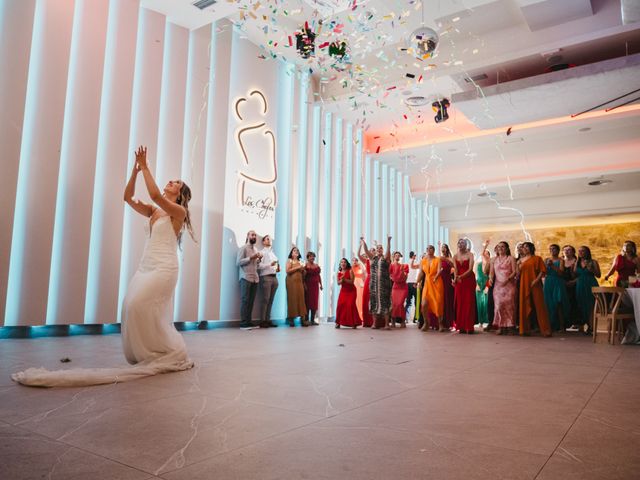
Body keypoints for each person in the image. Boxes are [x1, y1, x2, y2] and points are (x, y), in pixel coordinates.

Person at [12, 146, 194, 387]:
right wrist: (136, 171)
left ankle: (162, 352)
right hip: (146, 265)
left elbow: (154, 195)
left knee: (138, 304)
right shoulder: (154, 212)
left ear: (180, 193)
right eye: (171, 179)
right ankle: (153, 353)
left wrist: (147, 166)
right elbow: (128, 198)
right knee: (130, 307)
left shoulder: (177, 212)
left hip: (165, 267)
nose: (170, 182)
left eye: (176, 182)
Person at [518, 242, 551, 337]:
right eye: (523, 247)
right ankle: (524, 329)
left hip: (535, 282)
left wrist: (536, 280)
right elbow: (518, 272)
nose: (525, 248)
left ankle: (545, 330)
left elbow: (542, 271)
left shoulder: (537, 258)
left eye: (527, 247)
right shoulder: (521, 259)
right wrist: (518, 264)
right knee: (524, 305)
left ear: (531, 248)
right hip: (524, 283)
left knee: (540, 305)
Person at [361, 236, 392, 329]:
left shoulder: (385, 258)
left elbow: (388, 252)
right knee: (374, 302)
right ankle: (374, 323)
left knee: (385, 302)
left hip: (384, 284)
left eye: (381, 248)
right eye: (377, 248)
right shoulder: (372, 258)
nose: (379, 249)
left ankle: (387, 324)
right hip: (374, 284)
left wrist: (388, 242)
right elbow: (366, 251)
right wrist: (363, 242)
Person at [489, 241, 517, 335]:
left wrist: (508, 279)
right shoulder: (494, 260)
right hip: (498, 286)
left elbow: (515, 271)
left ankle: (510, 327)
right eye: (499, 247)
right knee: (498, 306)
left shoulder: (511, 258)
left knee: (509, 307)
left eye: (503, 247)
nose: (500, 248)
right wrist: (490, 279)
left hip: (509, 285)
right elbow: (491, 273)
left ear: (507, 248)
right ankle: (501, 326)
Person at [237, 230, 262, 330]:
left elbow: (257, 266)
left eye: (255, 235)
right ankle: (243, 323)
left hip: (255, 278)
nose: (254, 237)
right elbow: (238, 262)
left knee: (251, 301)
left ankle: (248, 321)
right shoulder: (243, 248)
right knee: (245, 300)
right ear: (247, 236)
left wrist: (258, 260)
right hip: (246, 277)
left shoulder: (256, 249)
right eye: (252, 235)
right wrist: (251, 258)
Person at [574, 245, 601, 333]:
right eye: (579, 251)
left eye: (583, 251)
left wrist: (592, 269)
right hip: (580, 284)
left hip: (591, 283)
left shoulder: (593, 262)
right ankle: (583, 325)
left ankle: (591, 326)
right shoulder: (577, 262)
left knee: (591, 305)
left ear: (587, 252)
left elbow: (598, 275)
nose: (581, 253)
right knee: (581, 304)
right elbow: (575, 274)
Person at [453, 238, 477, 334]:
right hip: (459, 282)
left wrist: (460, 277)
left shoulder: (470, 255)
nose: (461, 244)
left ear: (466, 245)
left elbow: (470, 269)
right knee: (460, 302)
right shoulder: (455, 256)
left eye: (463, 243)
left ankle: (469, 326)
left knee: (469, 302)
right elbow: (455, 269)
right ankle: (461, 326)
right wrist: (455, 278)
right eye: (459, 243)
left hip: (468, 280)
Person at [418, 245, 444, 332]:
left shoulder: (437, 259)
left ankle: (440, 324)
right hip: (427, 284)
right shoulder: (423, 261)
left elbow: (439, 270)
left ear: (434, 250)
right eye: (427, 248)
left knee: (438, 304)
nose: (429, 250)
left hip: (437, 283)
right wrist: (417, 281)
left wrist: (436, 277)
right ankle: (426, 322)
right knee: (424, 304)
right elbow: (421, 273)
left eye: (431, 248)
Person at [544, 244, 569, 332]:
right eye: (550, 249)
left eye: (554, 249)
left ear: (558, 251)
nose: (552, 250)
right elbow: (544, 273)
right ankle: (551, 325)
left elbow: (561, 273)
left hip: (557, 282)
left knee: (558, 303)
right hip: (548, 282)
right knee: (548, 304)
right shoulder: (546, 260)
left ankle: (562, 326)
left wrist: (553, 266)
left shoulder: (561, 260)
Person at [258, 234, 279, 328]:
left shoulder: (273, 254)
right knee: (265, 299)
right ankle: (262, 321)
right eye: (267, 239)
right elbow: (259, 266)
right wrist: (269, 264)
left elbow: (275, 266)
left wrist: (277, 268)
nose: (269, 240)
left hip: (274, 277)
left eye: (270, 239)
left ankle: (268, 319)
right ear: (263, 242)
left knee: (271, 300)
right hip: (265, 277)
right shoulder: (261, 252)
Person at [335, 258, 362, 329]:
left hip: (351, 291)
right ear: (340, 264)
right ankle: (338, 322)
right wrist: (342, 280)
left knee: (350, 305)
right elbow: (338, 283)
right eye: (342, 262)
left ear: (346, 264)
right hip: (343, 291)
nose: (343, 263)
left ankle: (354, 322)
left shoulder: (350, 271)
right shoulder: (338, 272)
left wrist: (344, 279)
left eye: (344, 262)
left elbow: (352, 282)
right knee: (340, 305)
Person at [286, 247, 308, 326]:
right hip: (291, 282)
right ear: (291, 253)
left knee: (301, 299)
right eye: (294, 251)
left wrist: (304, 270)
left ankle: (302, 319)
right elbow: (287, 271)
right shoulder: (289, 261)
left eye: (297, 251)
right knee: (292, 299)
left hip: (299, 282)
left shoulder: (301, 261)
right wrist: (298, 267)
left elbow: (304, 274)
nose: (296, 252)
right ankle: (291, 319)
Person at [389, 251, 409, 328]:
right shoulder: (391, 266)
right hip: (395, 287)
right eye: (395, 255)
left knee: (400, 304)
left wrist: (403, 271)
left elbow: (405, 278)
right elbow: (389, 275)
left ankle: (402, 321)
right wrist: (393, 278)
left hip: (403, 287)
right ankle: (393, 321)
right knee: (394, 304)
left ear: (400, 257)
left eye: (398, 255)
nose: (397, 256)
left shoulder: (404, 266)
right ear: (393, 256)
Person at [357, 241, 375, 327]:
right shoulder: (366, 260)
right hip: (368, 279)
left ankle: (375, 321)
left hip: (376, 279)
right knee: (366, 299)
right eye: (371, 250)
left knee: (374, 299)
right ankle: (367, 321)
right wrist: (361, 245)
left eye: (373, 250)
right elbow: (358, 255)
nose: (372, 251)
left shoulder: (377, 260)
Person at [562, 245, 579, 329]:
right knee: (564, 303)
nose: (566, 251)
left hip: (574, 284)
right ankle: (565, 323)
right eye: (565, 250)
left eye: (569, 250)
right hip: (563, 285)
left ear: (573, 252)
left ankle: (576, 322)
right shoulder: (561, 261)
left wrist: (573, 281)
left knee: (574, 302)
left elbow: (580, 275)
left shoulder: (577, 261)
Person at [304, 252, 322, 326]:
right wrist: (304, 284)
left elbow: (318, 276)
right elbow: (303, 276)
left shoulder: (316, 265)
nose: (312, 258)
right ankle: (306, 319)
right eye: (311, 256)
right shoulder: (305, 265)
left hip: (315, 286)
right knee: (307, 302)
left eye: (313, 256)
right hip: (308, 285)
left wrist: (321, 284)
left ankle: (312, 319)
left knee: (314, 302)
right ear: (308, 257)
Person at [439, 243, 455, 330]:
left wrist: (446, 259)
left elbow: (454, 267)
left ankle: (449, 323)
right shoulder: (439, 258)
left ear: (447, 249)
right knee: (441, 301)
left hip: (448, 280)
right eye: (442, 248)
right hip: (440, 280)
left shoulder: (450, 258)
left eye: (444, 247)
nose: (443, 249)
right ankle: (441, 322)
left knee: (448, 300)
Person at [475, 243, 490, 330]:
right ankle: (480, 321)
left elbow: (491, 276)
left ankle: (487, 321)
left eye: (487, 253)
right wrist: (476, 284)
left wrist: (487, 286)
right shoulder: (478, 264)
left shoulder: (490, 264)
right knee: (479, 303)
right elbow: (475, 275)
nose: (485, 255)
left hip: (487, 284)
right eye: (484, 253)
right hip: (479, 284)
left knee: (487, 304)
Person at [406, 251, 420, 323]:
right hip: (414, 283)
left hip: (408, 283)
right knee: (416, 302)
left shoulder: (407, 262)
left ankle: (406, 318)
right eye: (415, 255)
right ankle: (415, 318)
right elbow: (413, 267)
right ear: (413, 256)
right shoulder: (414, 262)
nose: (415, 256)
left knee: (408, 302)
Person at [352, 257, 366, 321]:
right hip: (354, 282)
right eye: (353, 260)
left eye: (356, 260)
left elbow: (363, 275)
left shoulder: (360, 267)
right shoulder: (351, 268)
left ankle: (361, 315)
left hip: (360, 283)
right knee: (355, 299)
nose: (354, 262)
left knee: (360, 298)